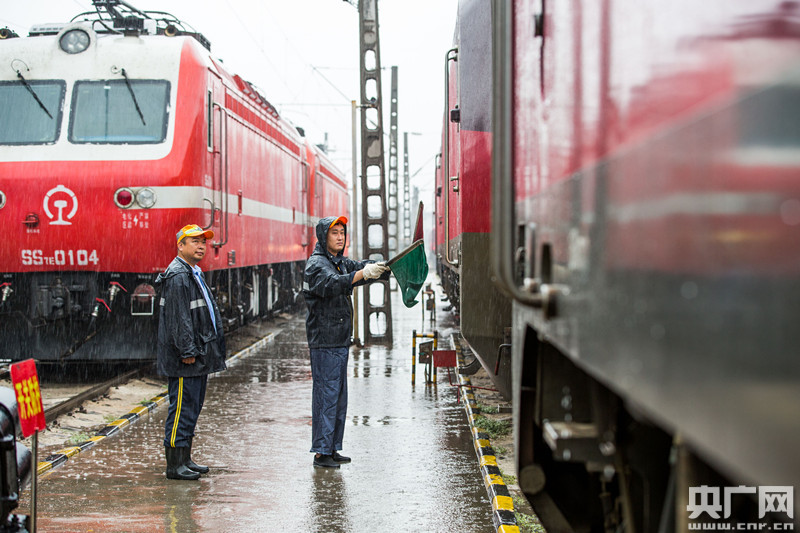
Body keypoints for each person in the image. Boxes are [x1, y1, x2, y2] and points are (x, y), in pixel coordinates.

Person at [303, 215, 390, 468]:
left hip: (338, 340)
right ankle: (321, 453)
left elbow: (358, 267)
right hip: (325, 341)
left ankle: (331, 448)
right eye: (335, 233)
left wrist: (382, 267)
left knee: (338, 398)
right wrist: (363, 273)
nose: (340, 237)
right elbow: (333, 284)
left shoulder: (337, 262)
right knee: (326, 396)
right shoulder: (317, 265)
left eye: (342, 232)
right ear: (324, 237)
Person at [155, 224, 227, 480]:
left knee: (192, 407)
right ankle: (174, 465)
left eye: (203, 241)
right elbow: (179, 320)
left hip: (197, 354)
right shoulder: (178, 276)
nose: (201, 246)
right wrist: (187, 350)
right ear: (180, 245)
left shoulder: (192, 272)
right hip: (186, 358)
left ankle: (185, 459)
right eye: (194, 241)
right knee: (181, 410)